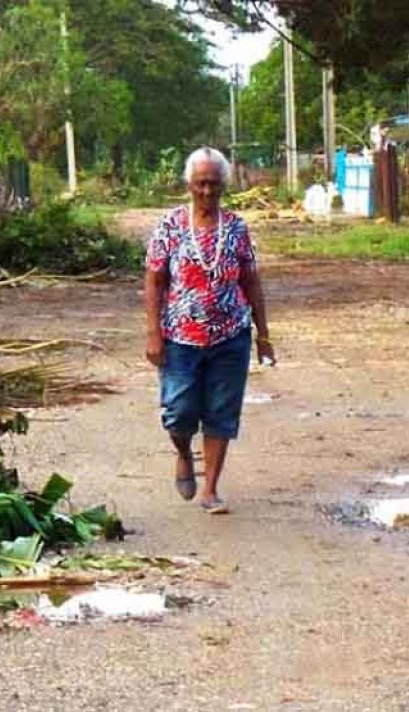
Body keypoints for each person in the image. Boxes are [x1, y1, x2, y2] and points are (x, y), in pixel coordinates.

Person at [144, 147, 275, 514]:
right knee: (179, 411)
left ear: (223, 186)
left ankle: (211, 490)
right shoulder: (170, 226)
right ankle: (184, 452)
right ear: (188, 184)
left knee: (221, 411)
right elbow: (154, 281)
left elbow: (251, 280)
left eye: (214, 185)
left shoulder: (235, 228)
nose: (207, 192)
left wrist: (263, 336)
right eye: (200, 184)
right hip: (180, 338)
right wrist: (153, 333)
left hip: (230, 335)